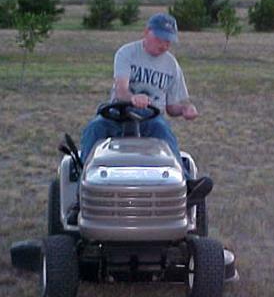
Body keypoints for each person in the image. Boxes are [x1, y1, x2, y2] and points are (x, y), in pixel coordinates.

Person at [79, 13, 212, 203]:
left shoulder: (171, 65)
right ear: (146, 32)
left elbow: (172, 106)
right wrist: (133, 98)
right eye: (159, 39)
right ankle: (82, 190)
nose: (164, 45)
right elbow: (121, 90)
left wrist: (184, 109)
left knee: (163, 131)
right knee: (95, 128)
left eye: (168, 41)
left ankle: (186, 186)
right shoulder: (126, 53)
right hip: (119, 113)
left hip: (151, 118)